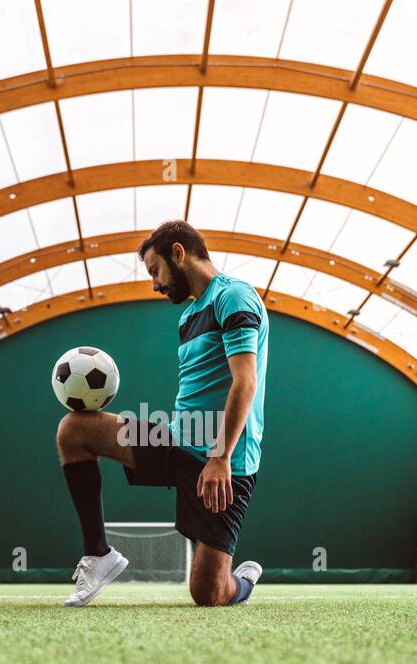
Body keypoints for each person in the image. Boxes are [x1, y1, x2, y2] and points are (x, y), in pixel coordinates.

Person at [55, 220, 269, 608]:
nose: (155, 284)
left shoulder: (234, 297)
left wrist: (219, 457)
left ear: (178, 253)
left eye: (155, 270)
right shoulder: (188, 316)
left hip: (225, 461)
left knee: (208, 593)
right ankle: (99, 554)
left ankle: (244, 581)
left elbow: (245, 383)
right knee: (74, 431)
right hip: (173, 440)